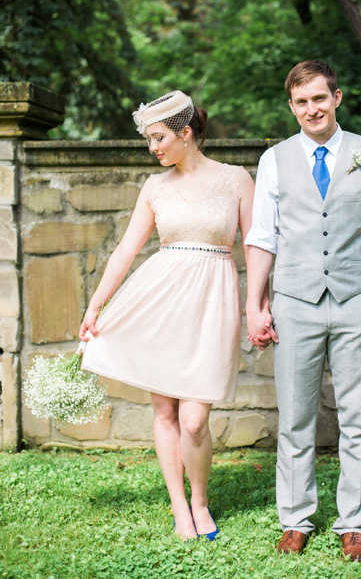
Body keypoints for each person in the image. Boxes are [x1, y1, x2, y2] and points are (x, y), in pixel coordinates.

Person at [79, 90, 256, 541]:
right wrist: (96, 304)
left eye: (158, 138)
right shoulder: (155, 187)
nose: (153, 148)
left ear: (186, 132)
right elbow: (125, 250)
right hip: (161, 300)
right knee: (165, 412)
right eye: (149, 140)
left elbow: (254, 250)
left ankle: (200, 499)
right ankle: (181, 508)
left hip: (213, 301)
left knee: (195, 418)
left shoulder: (236, 179)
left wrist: (258, 304)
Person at [245, 60, 361, 561]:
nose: (311, 108)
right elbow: (262, 236)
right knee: (295, 418)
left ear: (336, 97)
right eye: (300, 101)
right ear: (291, 106)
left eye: (318, 98)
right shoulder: (274, 160)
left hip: (357, 301)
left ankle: (353, 522)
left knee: (358, 418)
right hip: (295, 302)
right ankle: (295, 518)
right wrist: (256, 304)